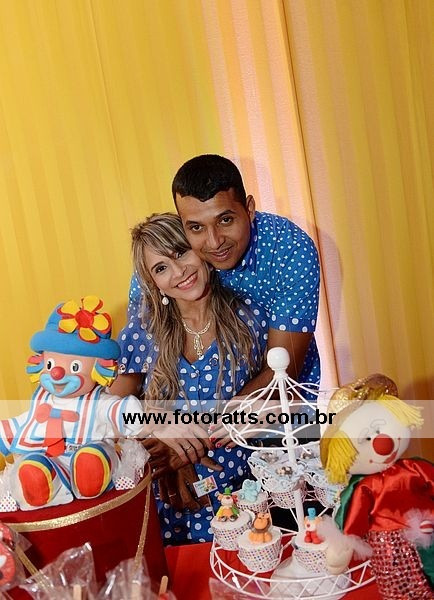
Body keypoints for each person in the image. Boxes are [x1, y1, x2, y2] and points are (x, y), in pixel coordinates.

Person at [111, 213, 268, 544]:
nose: (178, 271)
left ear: (200, 248)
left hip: (244, 498)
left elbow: (277, 396)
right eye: (161, 268)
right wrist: (159, 424)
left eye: (181, 252)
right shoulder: (142, 331)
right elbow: (108, 412)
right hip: (170, 509)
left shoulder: (248, 318)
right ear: (153, 283)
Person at [128, 154, 320, 398]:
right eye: (196, 227)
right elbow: (135, 368)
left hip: (280, 408)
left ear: (249, 209)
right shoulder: (164, 266)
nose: (214, 242)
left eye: (225, 220)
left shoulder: (289, 250)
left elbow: (284, 371)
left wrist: (223, 418)